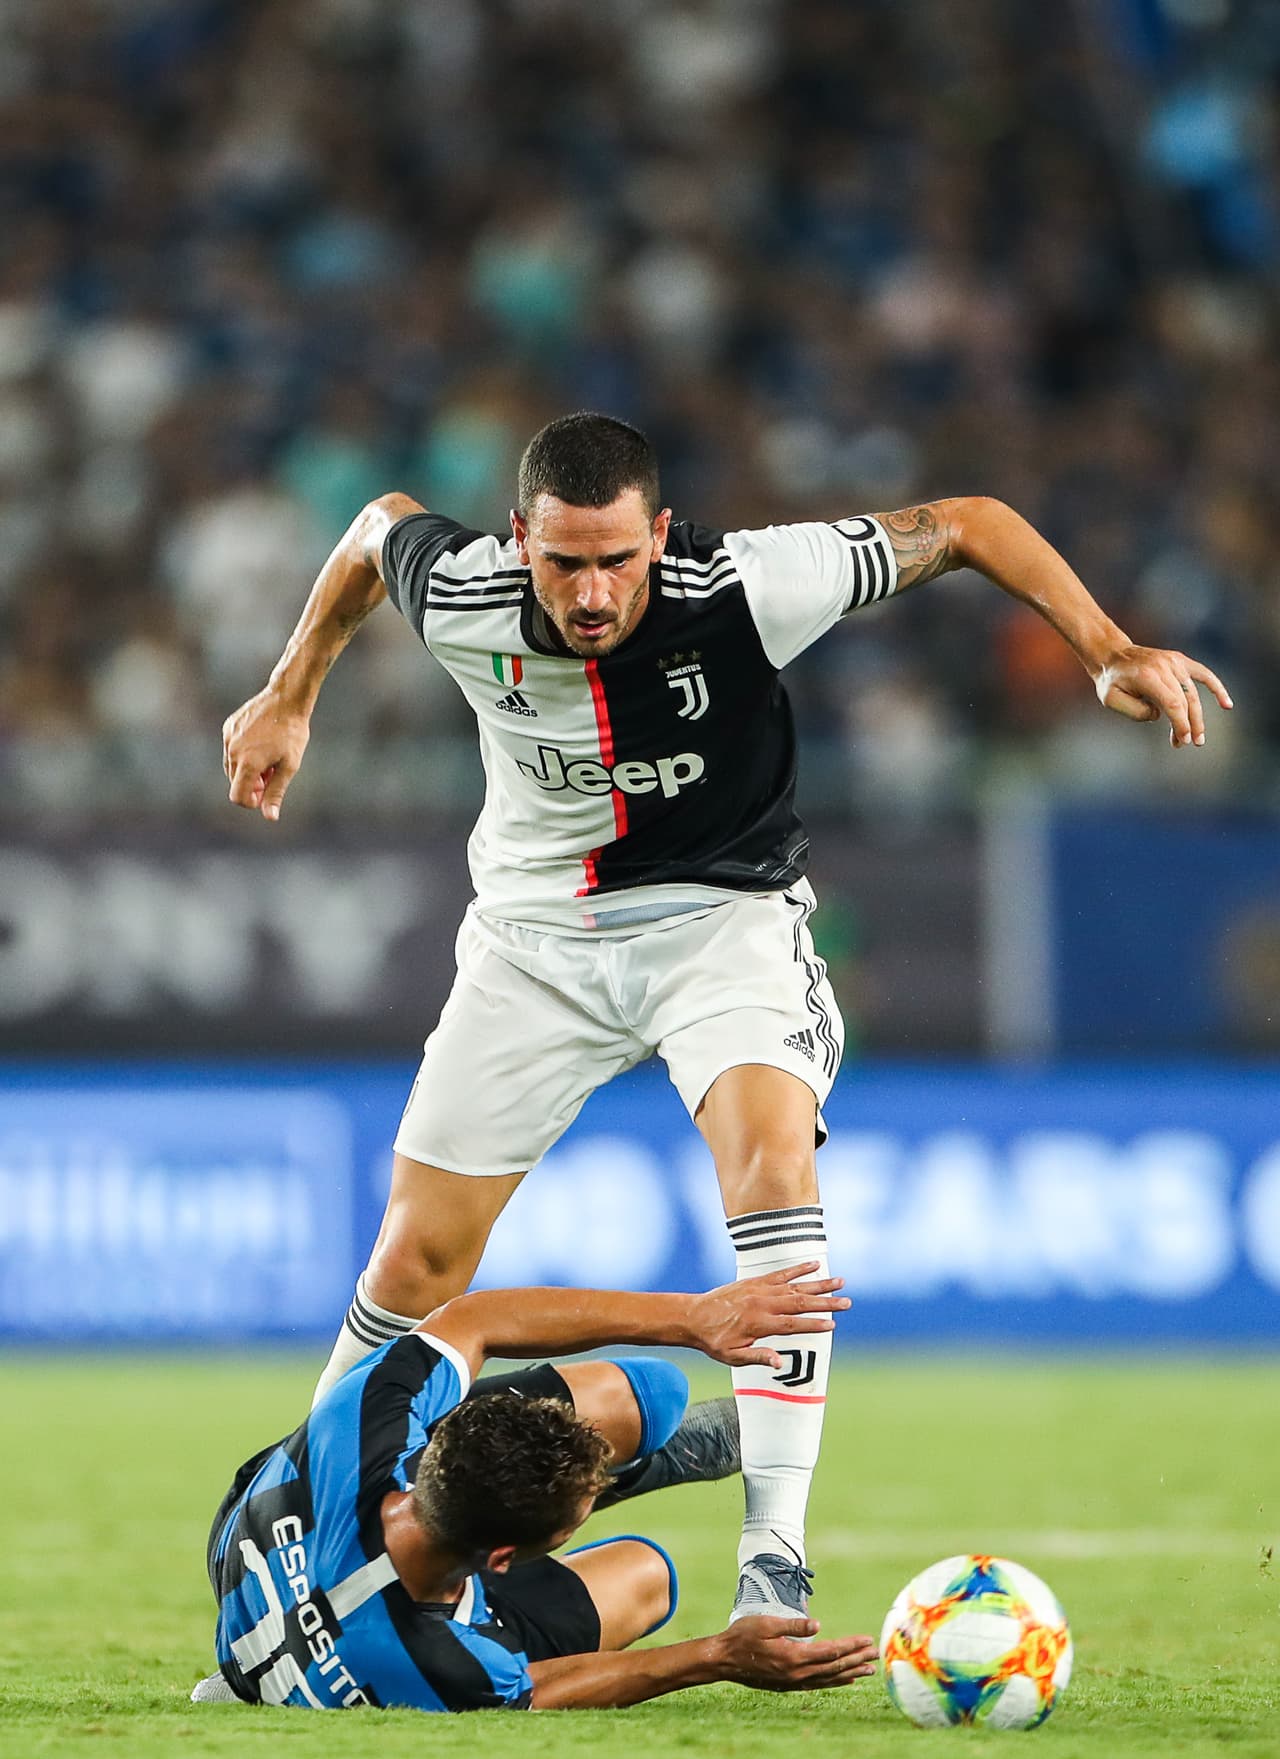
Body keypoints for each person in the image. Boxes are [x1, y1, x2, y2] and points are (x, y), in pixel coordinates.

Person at [222, 413, 1233, 1621]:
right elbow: (369, 528)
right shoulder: (459, 588)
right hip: (533, 949)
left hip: (721, 927)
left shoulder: (745, 584)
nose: (592, 593)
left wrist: (1104, 646)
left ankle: (772, 1557)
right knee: (413, 1261)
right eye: (562, 562)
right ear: (517, 541)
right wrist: (290, 693)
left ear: (658, 535)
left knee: (767, 1165)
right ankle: (301, 1538)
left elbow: (967, 525)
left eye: (616, 560)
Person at [196, 1266, 880, 1712]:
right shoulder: (455, 1663)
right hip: (401, 1620)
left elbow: (473, 1320)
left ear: (438, 1447)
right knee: (648, 1578)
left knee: (651, 1394)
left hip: (258, 1538)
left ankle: (553, 1482)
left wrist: (688, 1318)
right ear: (500, 1560)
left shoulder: (361, 1421)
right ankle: (595, 1477)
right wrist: (716, 1657)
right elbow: (539, 1690)